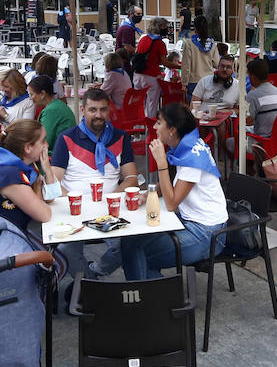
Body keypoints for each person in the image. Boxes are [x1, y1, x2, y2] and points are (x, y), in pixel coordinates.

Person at [119, 103, 228, 279]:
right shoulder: (186, 146)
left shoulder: (192, 156)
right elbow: (169, 188)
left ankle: (153, 299)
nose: (154, 127)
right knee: (130, 241)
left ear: (172, 130)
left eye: (159, 122)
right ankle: (158, 296)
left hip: (207, 233)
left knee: (137, 253)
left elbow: (171, 204)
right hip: (190, 221)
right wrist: (146, 195)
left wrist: (162, 164)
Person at [50, 88, 139, 280]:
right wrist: (79, 204)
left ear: (109, 110)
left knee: (130, 244)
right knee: (65, 249)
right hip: (74, 210)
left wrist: (111, 198)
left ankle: (97, 271)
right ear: (82, 110)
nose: (98, 115)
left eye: (103, 110)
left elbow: (131, 178)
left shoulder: (121, 137)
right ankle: (89, 284)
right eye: (92, 110)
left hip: (111, 210)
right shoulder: (66, 138)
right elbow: (54, 182)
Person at [132, 16, 169, 115]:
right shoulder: (159, 43)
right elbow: (164, 62)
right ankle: (150, 127)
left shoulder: (143, 39)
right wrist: (180, 66)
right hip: (152, 76)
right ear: (160, 27)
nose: (167, 29)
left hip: (138, 74)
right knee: (152, 105)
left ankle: (138, 127)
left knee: (139, 104)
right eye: (165, 26)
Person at [29, 75, 75, 148]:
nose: (30, 98)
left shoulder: (51, 110)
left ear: (42, 94)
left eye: (32, 94)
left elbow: (45, 141)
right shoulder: (57, 105)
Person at [245, 58, 277, 137]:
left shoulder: (253, 95)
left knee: (229, 142)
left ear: (253, 76)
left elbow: (247, 121)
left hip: (262, 142)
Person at [181, 17, 215, 99]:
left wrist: (184, 83)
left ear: (195, 28)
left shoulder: (189, 43)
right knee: (207, 108)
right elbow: (217, 63)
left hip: (194, 81)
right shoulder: (211, 43)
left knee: (194, 109)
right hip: (209, 80)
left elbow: (186, 65)